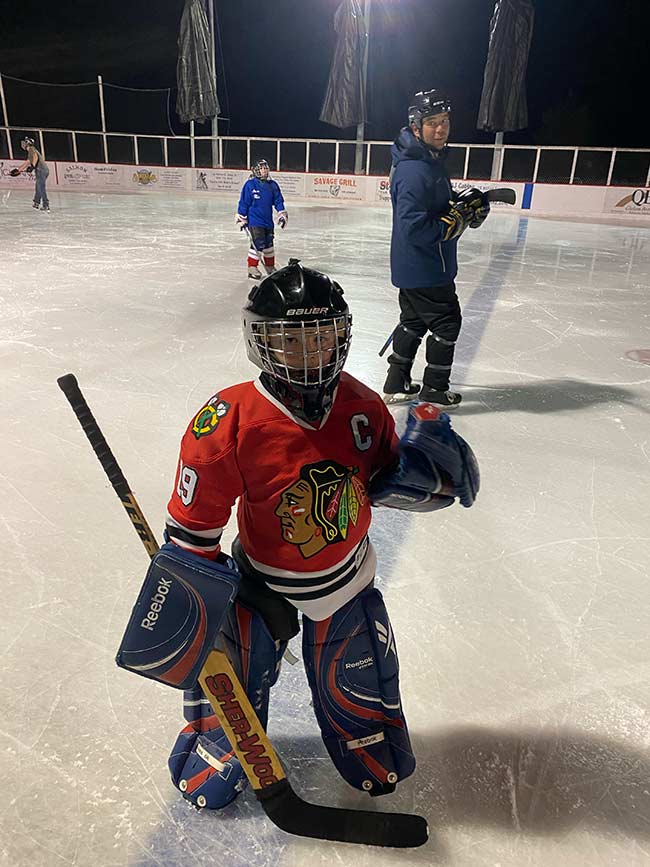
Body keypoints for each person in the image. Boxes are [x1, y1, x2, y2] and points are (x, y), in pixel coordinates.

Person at [163, 260, 480, 809]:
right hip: (260, 581)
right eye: (292, 341)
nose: (310, 354)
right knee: (234, 666)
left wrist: (435, 475)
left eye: (322, 337)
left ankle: (364, 733)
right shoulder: (228, 419)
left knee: (358, 675)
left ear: (342, 337)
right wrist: (197, 601)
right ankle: (221, 738)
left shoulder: (363, 407)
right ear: (260, 342)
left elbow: (392, 481)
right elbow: (194, 532)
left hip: (346, 579)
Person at [383, 90, 491, 407]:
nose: (441, 129)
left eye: (444, 121)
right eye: (432, 123)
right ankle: (434, 388)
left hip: (416, 265)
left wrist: (462, 204)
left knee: (413, 322)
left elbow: (433, 204)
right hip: (426, 266)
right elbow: (414, 226)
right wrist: (455, 221)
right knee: (446, 322)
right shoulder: (414, 170)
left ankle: (397, 381)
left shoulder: (427, 160)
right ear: (416, 127)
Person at [236, 159, 288, 279]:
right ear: (255, 171)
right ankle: (252, 267)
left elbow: (278, 201)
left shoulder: (272, 185)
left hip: (268, 221)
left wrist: (281, 213)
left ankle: (270, 267)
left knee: (269, 244)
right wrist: (241, 217)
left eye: (265, 168)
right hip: (255, 221)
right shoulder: (250, 185)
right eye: (261, 168)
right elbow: (244, 202)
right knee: (258, 243)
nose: (264, 171)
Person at [10, 137, 50, 211]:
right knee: (38, 187)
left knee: (41, 188)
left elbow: (35, 157)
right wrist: (18, 170)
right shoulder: (30, 151)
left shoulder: (31, 149)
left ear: (28, 143)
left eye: (25, 142)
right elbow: (27, 162)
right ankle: (36, 202)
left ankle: (45, 204)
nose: (23, 144)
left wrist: (32, 166)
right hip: (41, 171)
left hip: (41, 170)